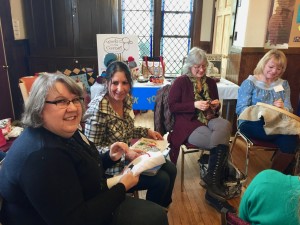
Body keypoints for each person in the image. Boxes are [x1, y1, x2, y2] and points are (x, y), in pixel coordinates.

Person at [0, 73, 168, 225]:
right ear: (39, 107)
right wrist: (122, 187)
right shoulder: (42, 156)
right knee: (156, 216)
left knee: (157, 207)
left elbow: (81, 169)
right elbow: (76, 220)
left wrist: (109, 157)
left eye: (75, 100)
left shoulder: (62, 131)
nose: (73, 108)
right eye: (61, 101)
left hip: (89, 199)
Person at [84, 61, 176, 208]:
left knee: (171, 168)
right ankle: (153, 216)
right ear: (107, 83)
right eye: (115, 83)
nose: (120, 89)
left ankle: (161, 210)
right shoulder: (98, 109)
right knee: (162, 180)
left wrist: (147, 132)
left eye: (125, 83)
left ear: (130, 84)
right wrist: (124, 153)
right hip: (110, 170)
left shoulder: (125, 101)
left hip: (128, 158)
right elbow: (91, 151)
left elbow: (128, 129)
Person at [167, 47, 234, 213]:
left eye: (204, 66)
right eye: (197, 66)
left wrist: (216, 106)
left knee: (225, 125)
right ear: (189, 66)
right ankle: (214, 186)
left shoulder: (210, 82)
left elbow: (215, 112)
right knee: (219, 140)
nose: (201, 70)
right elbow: (172, 106)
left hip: (209, 119)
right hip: (188, 122)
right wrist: (194, 104)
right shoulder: (181, 81)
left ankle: (211, 180)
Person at [236, 49, 298, 174]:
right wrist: (266, 109)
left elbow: (289, 109)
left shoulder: (283, 85)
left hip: (276, 124)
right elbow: (241, 109)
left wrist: (283, 109)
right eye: (271, 66)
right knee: (288, 133)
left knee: (291, 141)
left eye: (279, 69)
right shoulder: (250, 83)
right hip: (251, 123)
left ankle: (273, 177)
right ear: (263, 64)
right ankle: (280, 177)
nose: (274, 71)